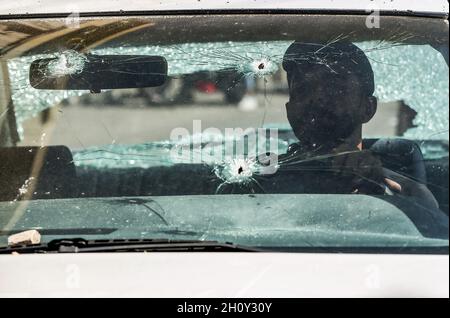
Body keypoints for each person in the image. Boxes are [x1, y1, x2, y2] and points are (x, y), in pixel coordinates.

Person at [275, 41, 438, 207]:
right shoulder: (264, 178)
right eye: (303, 89)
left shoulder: (389, 186)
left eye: (333, 86)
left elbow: (430, 215)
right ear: (289, 110)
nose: (317, 99)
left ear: (368, 108)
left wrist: (378, 179)